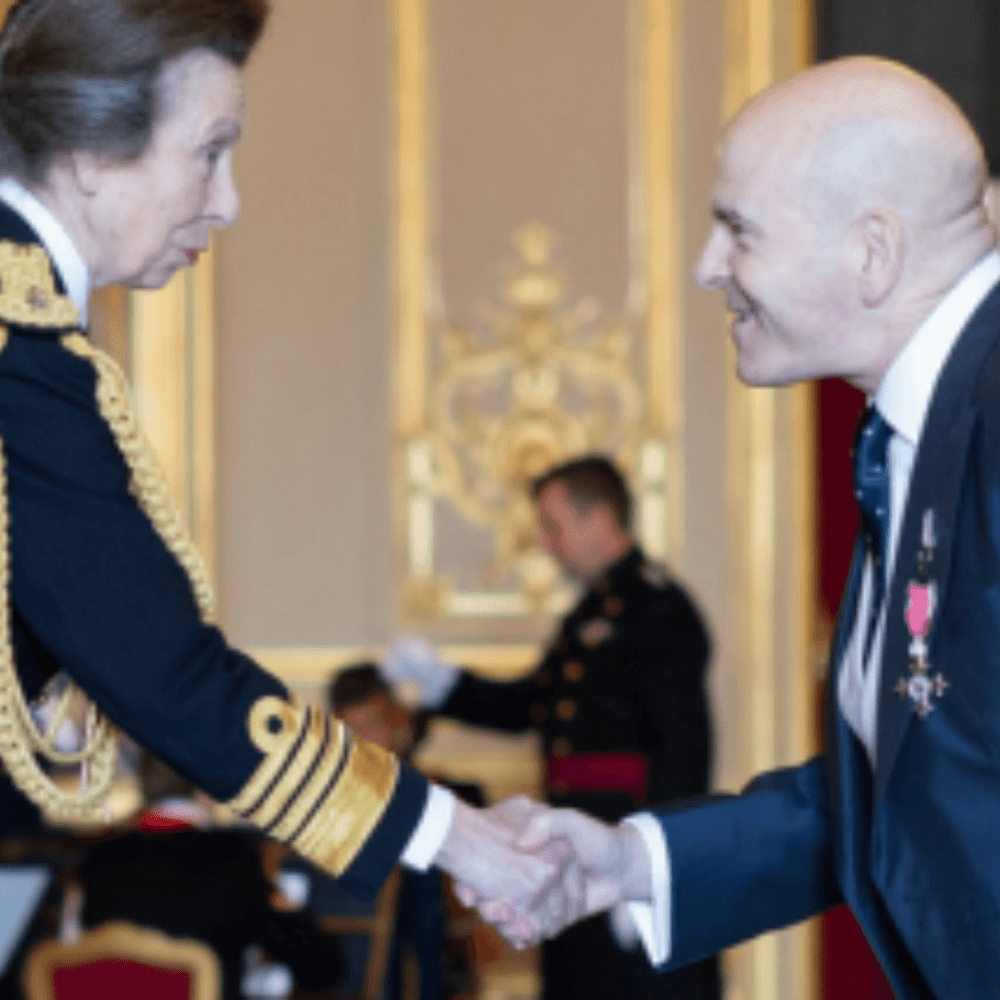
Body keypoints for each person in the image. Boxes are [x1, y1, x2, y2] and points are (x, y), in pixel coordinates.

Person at [0, 0, 562, 927]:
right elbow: (164, 671)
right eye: (209, 151)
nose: (228, 201)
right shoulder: (22, 355)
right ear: (90, 152)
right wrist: (457, 837)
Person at [468, 56, 1000, 999]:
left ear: (872, 251)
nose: (707, 265)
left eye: (739, 230)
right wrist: (633, 862)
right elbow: (900, 789)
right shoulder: (914, 434)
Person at [383, 456, 719, 1000]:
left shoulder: (659, 609)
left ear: (598, 520)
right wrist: (444, 684)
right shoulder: (588, 613)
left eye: (552, 525)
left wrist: (655, 872)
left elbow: (683, 751)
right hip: (577, 850)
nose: (545, 541)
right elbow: (534, 706)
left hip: (623, 845)